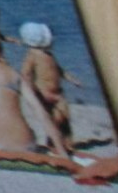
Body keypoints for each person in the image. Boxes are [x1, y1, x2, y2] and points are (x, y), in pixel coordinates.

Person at [18, 22, 80, 153]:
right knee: (54, 120)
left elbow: (59, 70)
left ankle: (69, 143)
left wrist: (71, 79)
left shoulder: (49, 55)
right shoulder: (32, 55)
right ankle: (52, 142)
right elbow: (26, 72)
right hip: (44, 93)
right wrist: (31, 88)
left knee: (65, 118)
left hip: (58, 93)